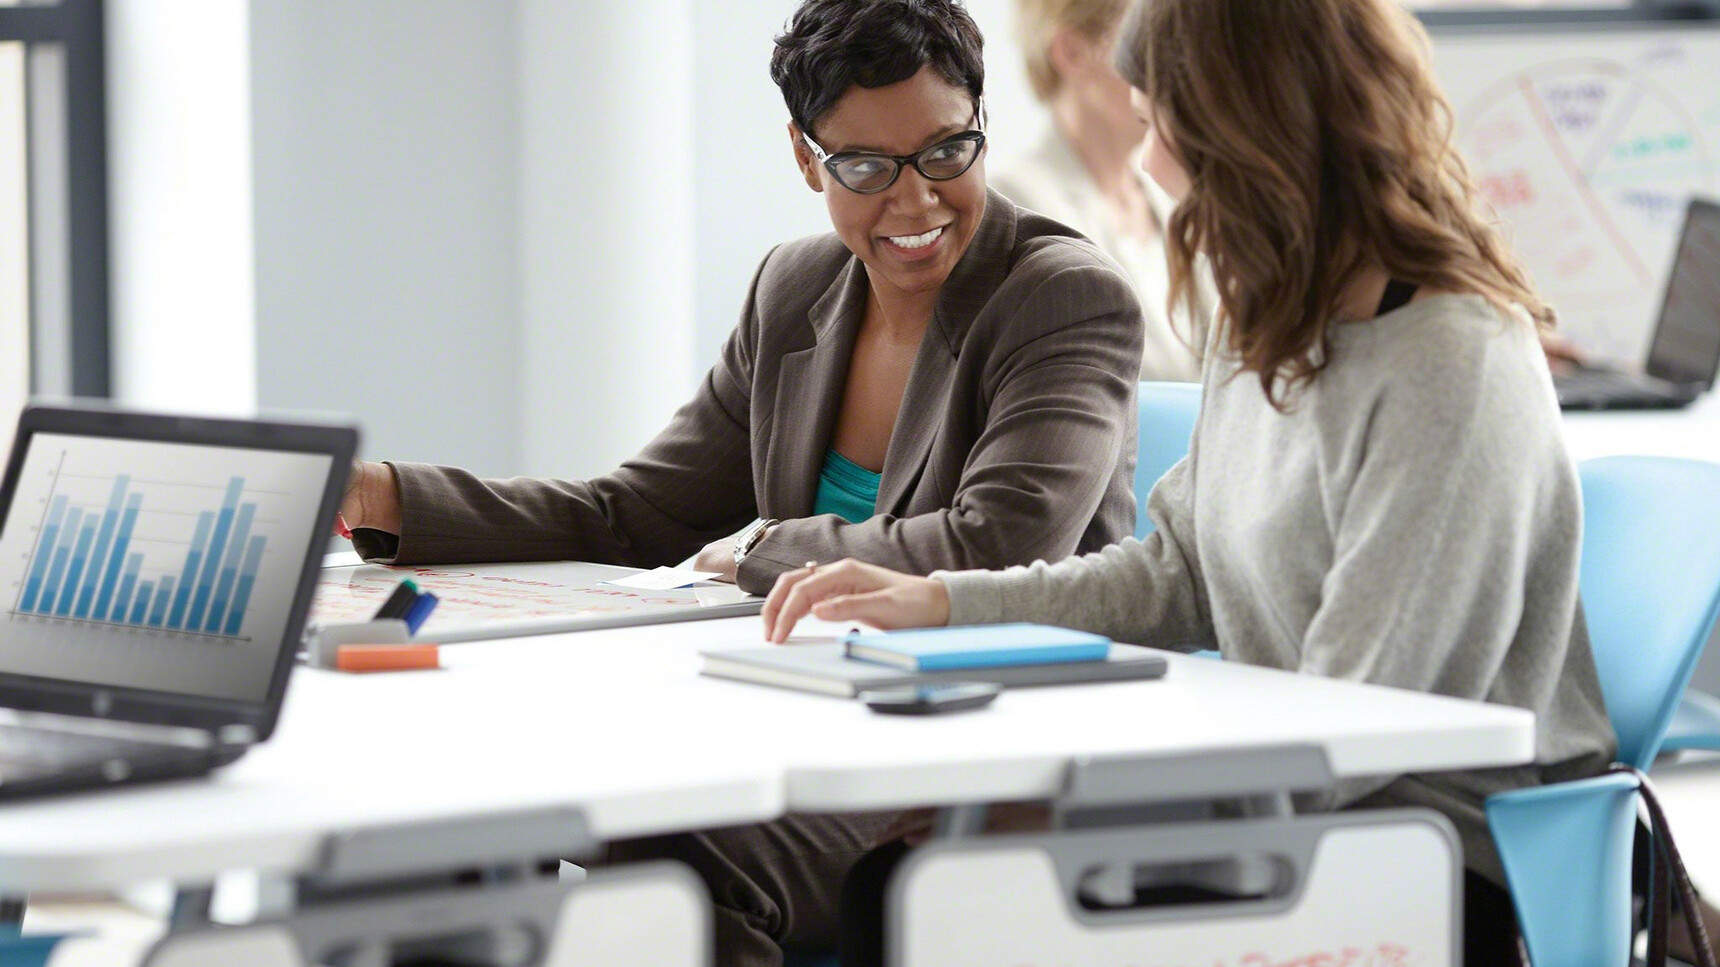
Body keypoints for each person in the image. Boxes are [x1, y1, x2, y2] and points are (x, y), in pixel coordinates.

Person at [761, 0, 1618, 962]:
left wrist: (1070, 793)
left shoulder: (1448, 363)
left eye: (1163, 122)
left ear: (1252, 131)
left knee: (940, 898)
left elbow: (1364, 722)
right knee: (915, 888)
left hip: (1427, 853)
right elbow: (1179, 573)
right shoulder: (1273, 322)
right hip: (1303, 815)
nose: (1148, 162)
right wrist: (937, 603)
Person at [335, 1, 1144, 963]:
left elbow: (995, 547)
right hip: (792, 709)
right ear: (808, 160)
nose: (916, 199)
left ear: (981, 126)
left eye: (944, 151)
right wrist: (384, 496)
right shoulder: (794, 289)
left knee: (680, 860)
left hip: (972, 740)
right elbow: (636, 515)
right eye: (864, 166)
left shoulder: (1061, 295)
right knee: (459, 809)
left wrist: (765, 544)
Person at [990, 0, 1206, 381]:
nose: (1172, 69)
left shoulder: (1174, 194)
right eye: (1146, 44)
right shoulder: (1014, 204)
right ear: (1072, 53)